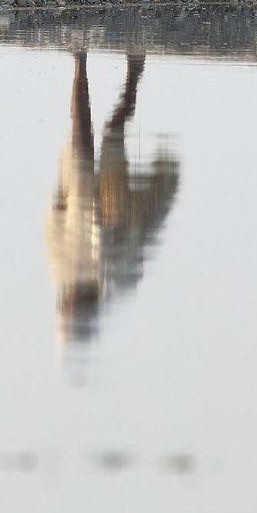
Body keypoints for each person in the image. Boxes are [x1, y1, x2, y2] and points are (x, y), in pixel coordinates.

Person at [46, 51, 180, 345]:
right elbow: (58, 214)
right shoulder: (119, 279)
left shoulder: (105, 276)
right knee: (102, 137)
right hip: (113, 213)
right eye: (72, 305)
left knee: (96, 139)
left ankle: (89, 63)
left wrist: (67, 190)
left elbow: (56, 210)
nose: (70, 299)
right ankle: (111, 67)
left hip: (115, 212)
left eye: (68, 304)